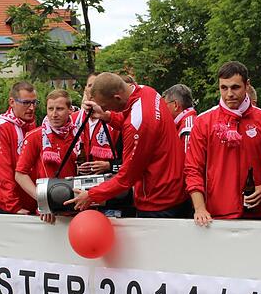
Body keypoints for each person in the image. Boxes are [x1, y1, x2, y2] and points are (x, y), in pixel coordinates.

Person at [65, 73, 188, 218]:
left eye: (104, 106)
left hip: (158, 200)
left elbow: (126, 178)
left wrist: (91, 195)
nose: (104, 109)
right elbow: (130, 116)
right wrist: (108, 117)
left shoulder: (137, 125)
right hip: (174, 189)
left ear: (117, 97)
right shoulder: (147, 91)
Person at [185, 62, 261, 226]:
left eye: (235, 87)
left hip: (257, 213)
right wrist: (200, 208)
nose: (229, 93)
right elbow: (193, 168)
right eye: (224, 88)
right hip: (216, 215)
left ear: (247, 85)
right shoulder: (204, 121)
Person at [15, 90, 77, 224]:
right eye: (50, 109)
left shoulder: (79, 134)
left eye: (59, 109)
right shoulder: (35, 136)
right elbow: (20, 174)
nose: (54, 114)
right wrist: (43, 200)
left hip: (77, 208)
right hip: (50, 213)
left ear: (70, 110)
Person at [0, 81, 38, 214]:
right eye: (26, 103)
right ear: (12, 102)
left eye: (34, 102)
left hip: (31, 201)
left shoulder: (32, 125)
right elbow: (2, 170)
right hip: (8, 206)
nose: (31, 108)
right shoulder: (1, 128)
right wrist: (14, 206)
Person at [73, 73, 120, 176]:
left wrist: (109, 165)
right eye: (90, 86)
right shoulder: (73, 120)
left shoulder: (116, 120)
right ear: (85, 90)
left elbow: (131, 160)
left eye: (97, 86)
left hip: (111, 181)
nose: (93, 90)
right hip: (80, 183)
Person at [163, 84, 196, 153]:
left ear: (175, 105)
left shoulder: (187, 128)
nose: (163, 109)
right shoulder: (188, 123)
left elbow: (187, 162)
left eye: (165, 105)